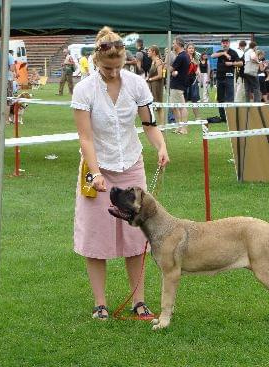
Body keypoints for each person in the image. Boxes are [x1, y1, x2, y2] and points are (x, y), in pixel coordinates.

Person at [71, 26, 170, 319]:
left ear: (125, 60)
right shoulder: (84, 89)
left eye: (118, 67)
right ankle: (100, 304)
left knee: (135, 238)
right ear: (96, 61)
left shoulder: (137, 84)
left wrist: (161, 146)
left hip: (131, 165)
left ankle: (138, 301)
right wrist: (96, 171)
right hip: (96, 168)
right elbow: (86, 138)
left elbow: (149, 124)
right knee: (96, 236)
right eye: (106, 68)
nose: (113, 73)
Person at [211, 37, 241, 122]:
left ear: (229, 43)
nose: (225, 44)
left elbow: (241, 63)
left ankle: (230, 116)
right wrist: (224, 53)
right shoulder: (220, 52)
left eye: (226, 42)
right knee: (220, 98)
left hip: (229, 78)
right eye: (223, 43)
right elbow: (213, 56)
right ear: (221, 44)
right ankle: (223, 117)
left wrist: (231, 63)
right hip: (219, 78)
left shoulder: (233, 52)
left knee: (230, 98)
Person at [169, 36, 190, 134]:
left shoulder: (181, 56)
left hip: (178, 85)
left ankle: (184, 128)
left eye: (173, 43)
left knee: (181, 106)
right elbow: (175, 70)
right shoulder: (183, 55)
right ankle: (179, 126)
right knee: (174, 107)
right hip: (177, 84)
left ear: (178, 44)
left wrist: (164, 63)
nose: (173, 45)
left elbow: (170, 69)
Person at [0, 48, 15, 124]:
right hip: (7, 79)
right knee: (8, 100)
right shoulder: (9, 55)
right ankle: (6, 120)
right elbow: (12, 69)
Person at [146, 45, 165, 125]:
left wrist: (150, 79)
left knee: (159, 106)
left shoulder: (158, 61)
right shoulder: (153, 61)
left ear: (154, 52)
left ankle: (162, 125)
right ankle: (153, 123)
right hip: (152, 85)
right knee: (152, 105)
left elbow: (160, 75)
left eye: (149, 51)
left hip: (157, 86)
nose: (147, 52)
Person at [185, 43, 201, 120]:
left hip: (193, 80)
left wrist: (197, 70)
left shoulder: (196, 58)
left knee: (195, 99)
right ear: (186, 49)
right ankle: (184, 117)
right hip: (185, 79)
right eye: (189, 48)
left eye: (192, 48)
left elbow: (197, 68)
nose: (191, 49)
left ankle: (197, 117)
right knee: (185, 100)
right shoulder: (184, 57)